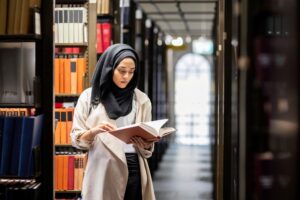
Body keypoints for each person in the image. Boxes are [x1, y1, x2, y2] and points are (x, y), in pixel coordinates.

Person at [71, 43, 156, 200]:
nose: (126, 77)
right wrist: (93, 131)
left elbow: (147, 143)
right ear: (109, 68)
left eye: (131, 72)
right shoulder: (89, 97)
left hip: (134, 166)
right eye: (122, 71)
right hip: (102, 167)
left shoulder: (141, 99)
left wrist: (147, 143)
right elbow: (76, 139)